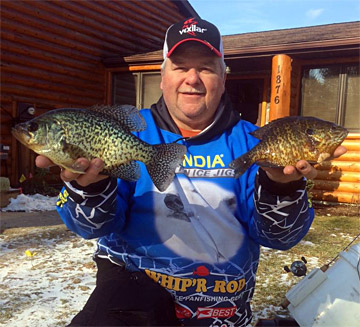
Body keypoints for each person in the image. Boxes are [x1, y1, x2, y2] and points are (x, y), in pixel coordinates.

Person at [36, 18, 346, 327]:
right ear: (162, 76)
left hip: (222, 315)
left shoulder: (257, 142)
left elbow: (281, 238)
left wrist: (282, 188)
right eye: (181, 66)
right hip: (130, 306)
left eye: (206, 68)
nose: (192, 78)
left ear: (223, 78)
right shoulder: (126, 133)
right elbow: (91, 228)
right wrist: (89, 188)